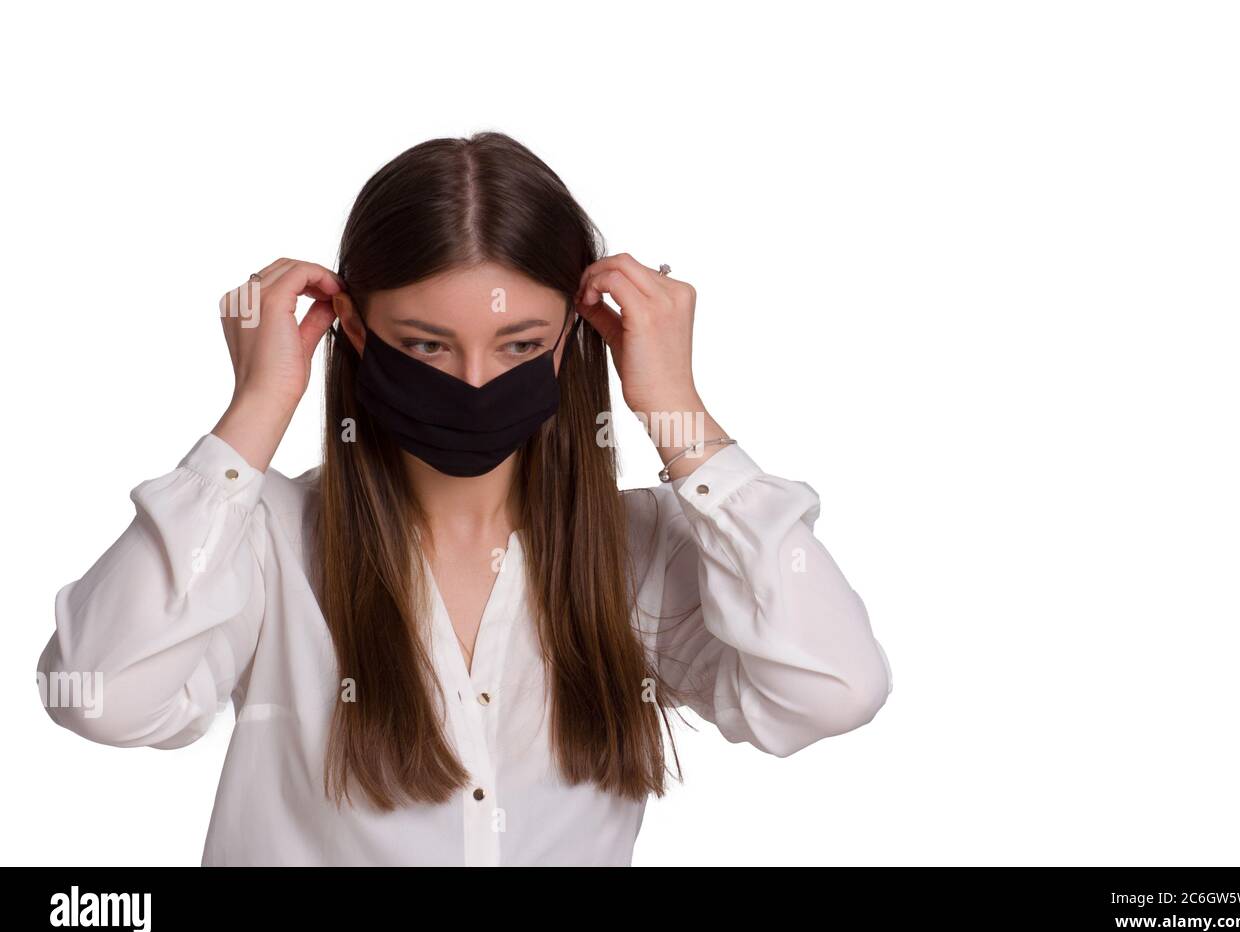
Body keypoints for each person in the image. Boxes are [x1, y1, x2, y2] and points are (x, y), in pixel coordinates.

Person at [35, 131, 893, 866]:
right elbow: (102, 698)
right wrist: (255, 409)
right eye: (428, 344)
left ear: (570, 341)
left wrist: (678, 408)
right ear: (358, 334)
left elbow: (832, 692)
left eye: (519, 342)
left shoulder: (644, 555)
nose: (477, 382)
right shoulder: (259, 542)